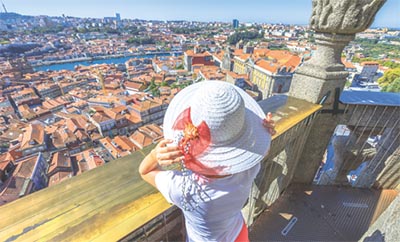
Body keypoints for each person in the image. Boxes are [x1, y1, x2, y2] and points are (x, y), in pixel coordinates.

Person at [139, 81, 275, 242]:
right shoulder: (249, 170)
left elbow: (144, 171)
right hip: (238, 233)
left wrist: (155, 155)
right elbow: (261, 152)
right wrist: (265, 132)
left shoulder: (182, 189)